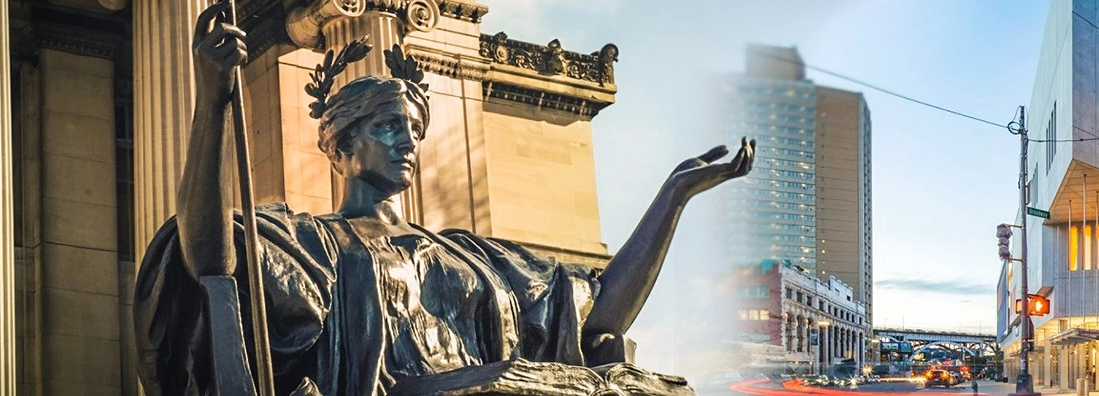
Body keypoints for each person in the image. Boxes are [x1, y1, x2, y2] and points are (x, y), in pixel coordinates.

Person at [133, 3, 754, 395]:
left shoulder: (472, 258)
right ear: (341, 149)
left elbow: (600, 318)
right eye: (387, 127)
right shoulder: (302, 245)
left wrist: (673, 196)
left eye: (413, 128)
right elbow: (210, 262)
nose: (407, 141)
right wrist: (213, 102)